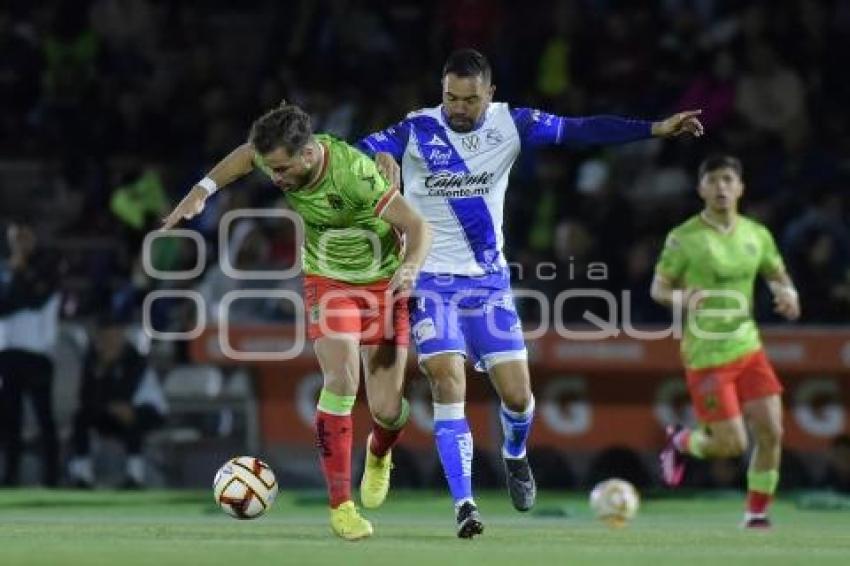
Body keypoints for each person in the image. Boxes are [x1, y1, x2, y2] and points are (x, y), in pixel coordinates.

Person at [357, 48, 704, 537]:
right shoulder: (416, 128)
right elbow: (351, 149)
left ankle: (515, 455)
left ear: (490, 95)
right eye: (450, 97)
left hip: (489, 283)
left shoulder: (511, 124)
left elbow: (582, 129)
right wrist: (380, 155)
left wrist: (654, 127)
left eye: (469, 100)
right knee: (445, 380)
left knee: (519, 399)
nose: (458, 108)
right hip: (430, 280)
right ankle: (465, 505)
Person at [162, 101, 432, 540]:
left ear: (308, 155)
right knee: (342, 380)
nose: (277, 179)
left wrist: (412, 267)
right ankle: (341, 506)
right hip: (328, 282)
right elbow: (246, 155)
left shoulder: (355, 175)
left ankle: (380, 452)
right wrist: (201, 190)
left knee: (387, 409)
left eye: (283, 170)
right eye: (272, 170)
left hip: (384, 283)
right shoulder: (276, 154)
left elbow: (419, 227)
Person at [652, 155, 800, 529]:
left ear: (740, 188)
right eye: (713, 180)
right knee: (731, 445)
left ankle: (756, 513)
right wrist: (682, 300)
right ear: (701, 188)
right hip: (707, 354)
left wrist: (789, 294)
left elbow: (778, 274)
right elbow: (659, 288)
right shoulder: (683, 238)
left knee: (771, 432)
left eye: (728, 180)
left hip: (749, 348)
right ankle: (681, 441)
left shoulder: (757, 234)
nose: (721, 187)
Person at [68, 314, 168, 489]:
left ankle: (135, 475)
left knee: (130, 415)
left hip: (148, 409)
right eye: (105, 337)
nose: (109, 341)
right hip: (109, 408)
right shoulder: (93, 360)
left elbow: (127, 392)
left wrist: (107, 385)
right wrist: (101, 372)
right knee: (81, 417)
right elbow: (85, 395)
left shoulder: (135, 359)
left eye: (113, 336)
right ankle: (82, 474)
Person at [0, 221, 61, 486]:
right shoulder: (6, 268)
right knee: (9, 418)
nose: (19, 243)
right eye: (15, 237)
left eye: (24, 236)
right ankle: (11, 474)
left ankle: (53, 477)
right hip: (7, 352)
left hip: (38, 352)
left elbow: (35, 301)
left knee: (44, 417)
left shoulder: (47, 267)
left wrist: (21, 272)